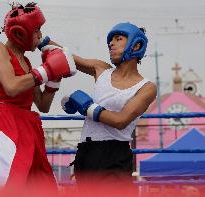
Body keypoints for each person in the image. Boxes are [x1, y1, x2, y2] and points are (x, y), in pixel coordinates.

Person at [0, 2, 76, 191]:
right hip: (2, 124)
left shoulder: (28, 63)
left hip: (27, 125)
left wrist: (54, 80)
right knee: (4, 185)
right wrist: (47, 70)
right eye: (37, 29)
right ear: (20, 32)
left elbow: (43, 105)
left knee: (40, 184)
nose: (40, 35)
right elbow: (12, 87)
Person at [55, 22, 157, 190]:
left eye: (118, 39)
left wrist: (87, 107)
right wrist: (41, 40)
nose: (111, 43)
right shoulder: (101, 69)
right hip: (86, 150)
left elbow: (121, 120)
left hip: (114, 153)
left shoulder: (146, 87)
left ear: (136, 44)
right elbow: (66, 56)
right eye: (110, 40)